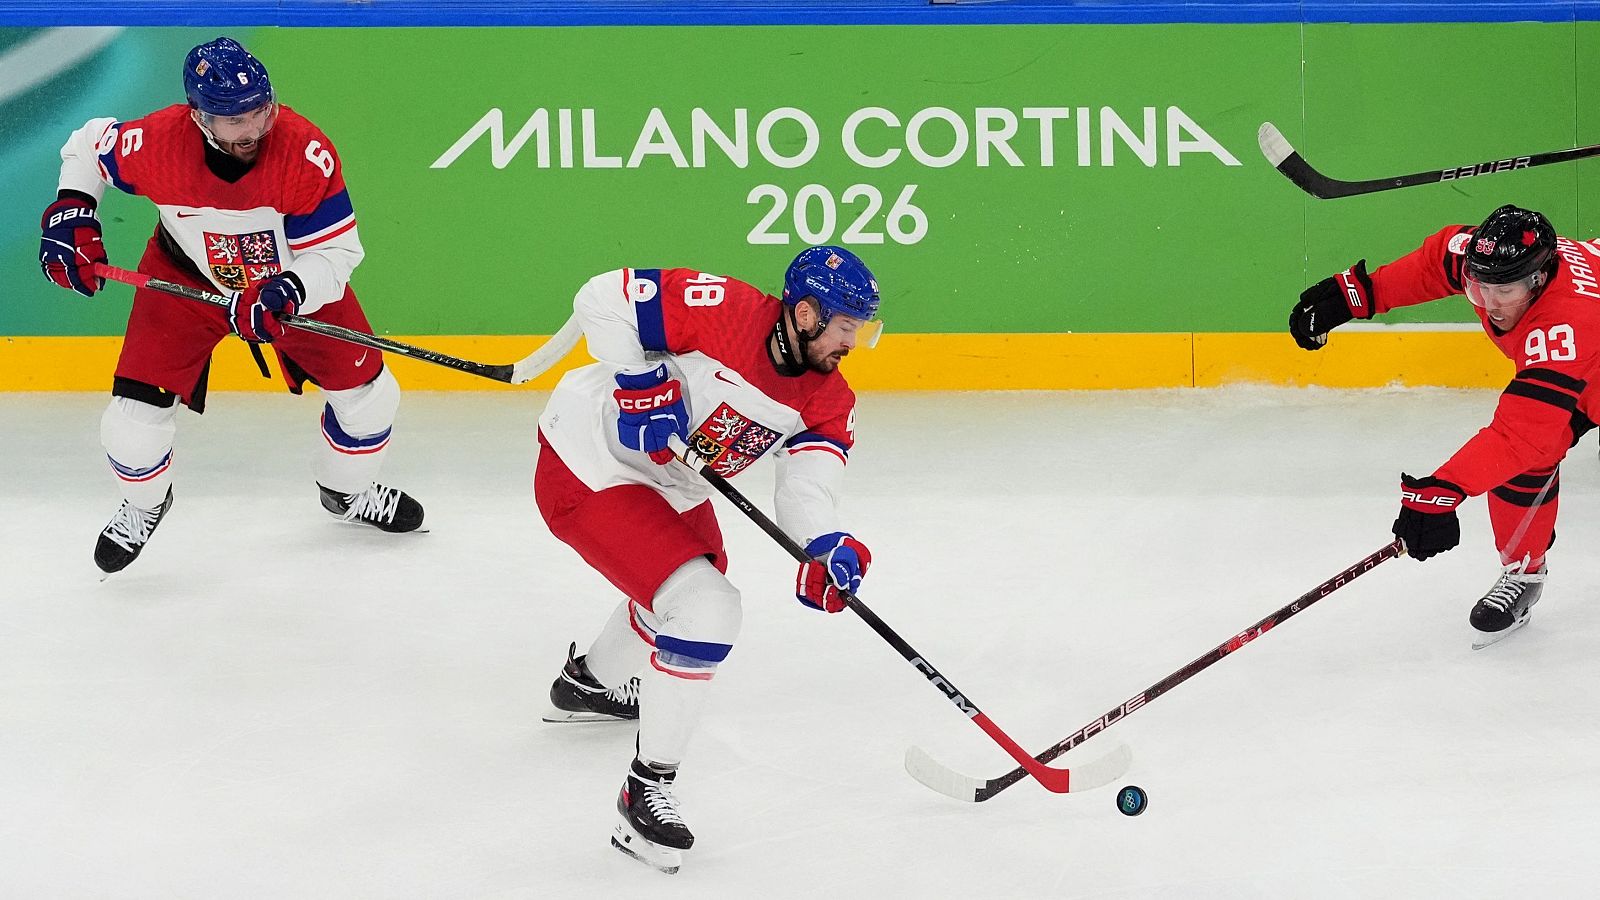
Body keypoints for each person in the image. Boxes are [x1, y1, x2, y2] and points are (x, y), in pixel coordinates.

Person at [534, 246, 881, 873]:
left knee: (697, 581)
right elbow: (599, 296)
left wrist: (824, 544)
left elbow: (806, 486)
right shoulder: (726, 308)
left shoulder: (827, 400)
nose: (852, 343)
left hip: (669, 484)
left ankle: (588, 683)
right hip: (586, 461)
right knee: (705, 608)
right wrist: (639, 382)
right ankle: (645, 791)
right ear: (805, 314)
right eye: (846, 327)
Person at [37, 36, 423, 575]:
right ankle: (146, 505)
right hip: (184, 279)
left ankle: (348, 492)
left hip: (286, 286)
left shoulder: (306, 154)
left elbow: (336, 254)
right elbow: (87, 146)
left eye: (260, 111)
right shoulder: (154, 143)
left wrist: (287, 290)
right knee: (131, 425)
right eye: (233, 120)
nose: (253, 129)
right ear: (199, 118)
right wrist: (72, 209)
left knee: (372, 400)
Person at [1288, 203, 1600, 646]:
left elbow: (1521, 436)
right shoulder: (1489, 258)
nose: (1489, 305)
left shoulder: (1567, 322)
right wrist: (1360, 292)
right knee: (1527, 463)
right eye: (1480, 288)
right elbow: (1436, 263)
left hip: (1592, 359)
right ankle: (1524, 575)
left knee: (1530, 447)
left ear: (1539, 279)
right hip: (1587, 369)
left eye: (1504, 292)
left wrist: (1443, 489)